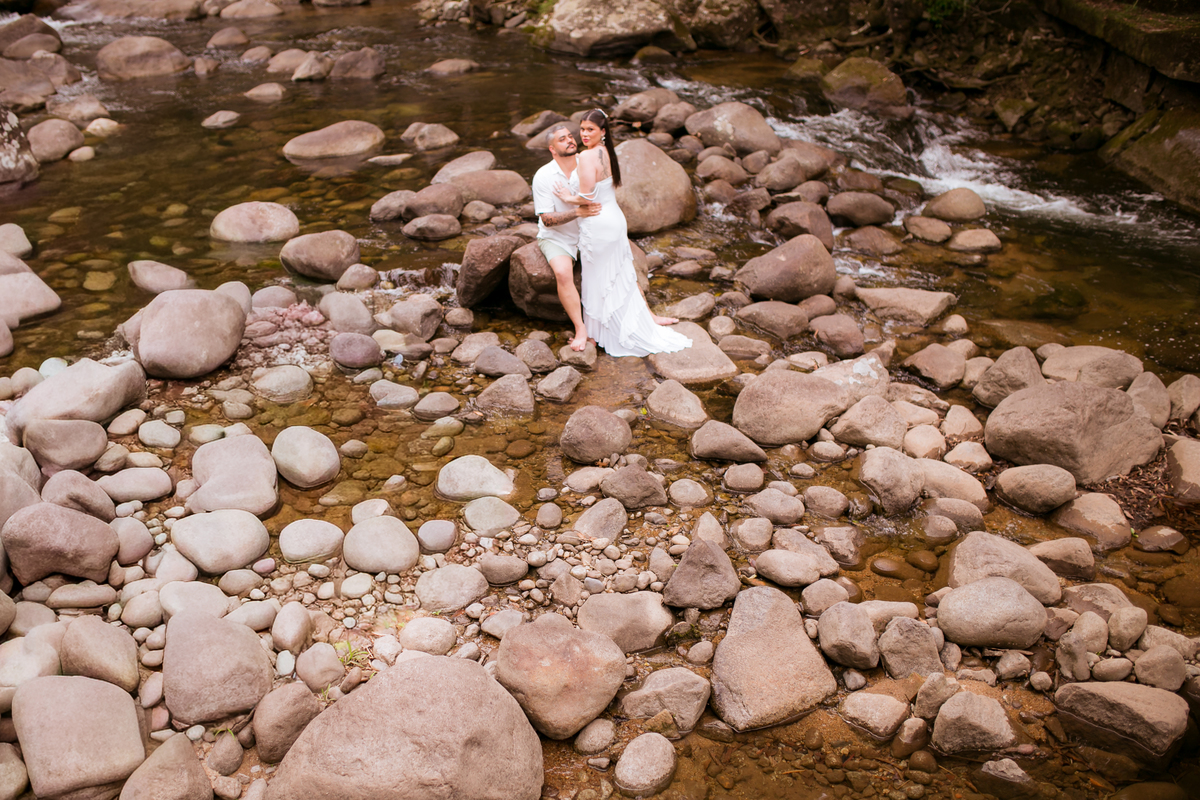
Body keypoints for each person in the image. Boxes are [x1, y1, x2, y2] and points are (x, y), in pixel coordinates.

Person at [553, 109, 692, 358]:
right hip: (614, 219)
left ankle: (602, 333)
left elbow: (586, 198)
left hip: (598, 223)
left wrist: (566, 197)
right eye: (582, 129)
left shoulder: (587, 156)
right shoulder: (606, 151)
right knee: (618, 276)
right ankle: (620, 325)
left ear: (602, 131)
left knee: (597, 279)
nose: (584, 134)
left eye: (590, 130)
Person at [532, 123, 600, 351]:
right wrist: (577, 212)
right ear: (552, 149)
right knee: (562, 272)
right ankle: (580, 328)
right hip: (557, 237)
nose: (570, 140)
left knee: (615, 262)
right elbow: (546, 219)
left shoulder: (587, 163)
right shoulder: (543, 176)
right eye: (562, 139)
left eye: (570, 136)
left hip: (590, 231)